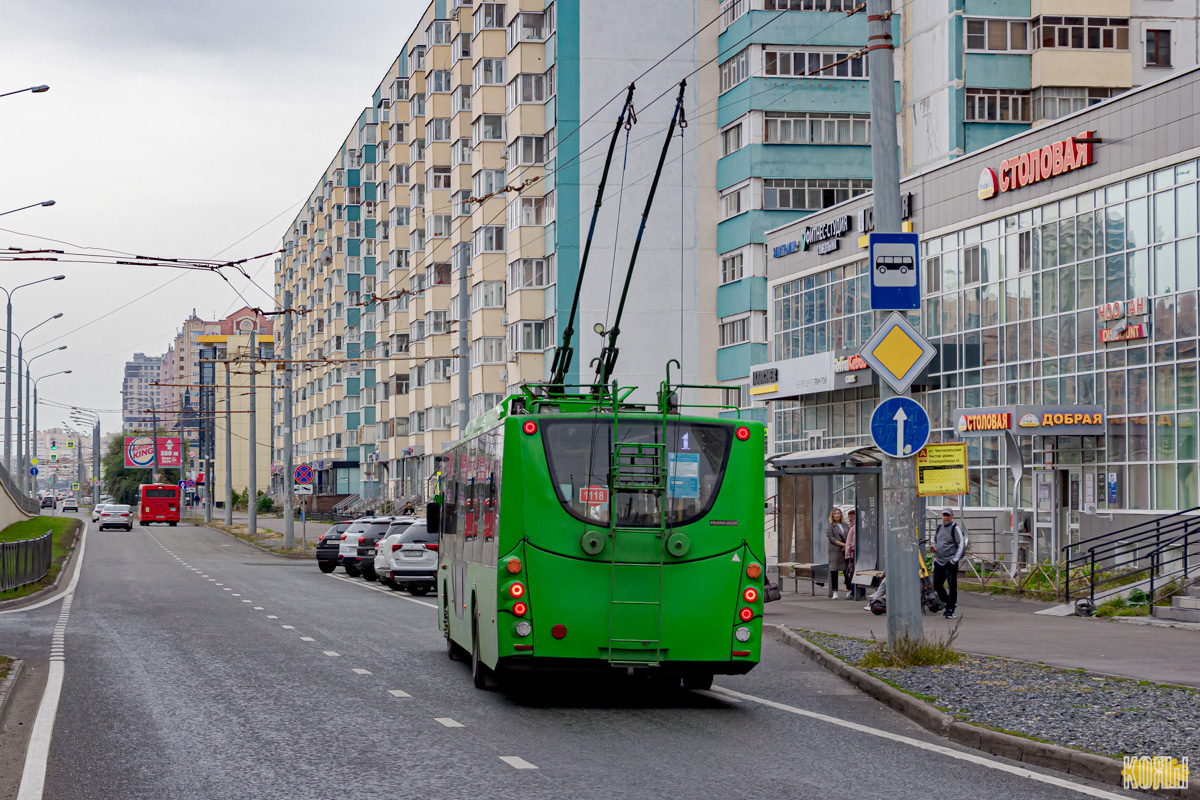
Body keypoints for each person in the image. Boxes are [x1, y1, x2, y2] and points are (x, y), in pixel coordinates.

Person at [932, 507, 966, 619]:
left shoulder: (955, 528)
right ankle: (948, 602)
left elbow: (961, 545)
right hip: (939, 561)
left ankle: (950, 610)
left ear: (952, 516)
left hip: (950, 562)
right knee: (936, 584)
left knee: (952, 586)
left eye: (948, 515)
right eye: (944, 515)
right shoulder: (939, 528)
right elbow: (936, 541)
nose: (945, 517)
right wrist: (935, 548)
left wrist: (954, 560)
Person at [825, 507, 850, 599]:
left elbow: (850, 536)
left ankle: (849, 590)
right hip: (835, 551)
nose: (837, 515)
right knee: (834, 571)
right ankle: (835, 591)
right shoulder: (830, 526)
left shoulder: (846, 525)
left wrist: (846, 546)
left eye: (838, 513)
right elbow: (831, 539)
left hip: (845, 551)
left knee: (847, 571)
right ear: (832, 515)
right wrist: (843, 545)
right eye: (835, 514)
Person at [844, 509, 857, 595]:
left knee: (851, 571)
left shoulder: (854, 526)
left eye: (852, 516)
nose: (850, 518)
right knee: (851, 571)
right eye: (849, 516)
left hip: (852, 552)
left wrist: (850, 547)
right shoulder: (851, 526)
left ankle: (854, 590)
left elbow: (854, 539)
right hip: (850, 552)